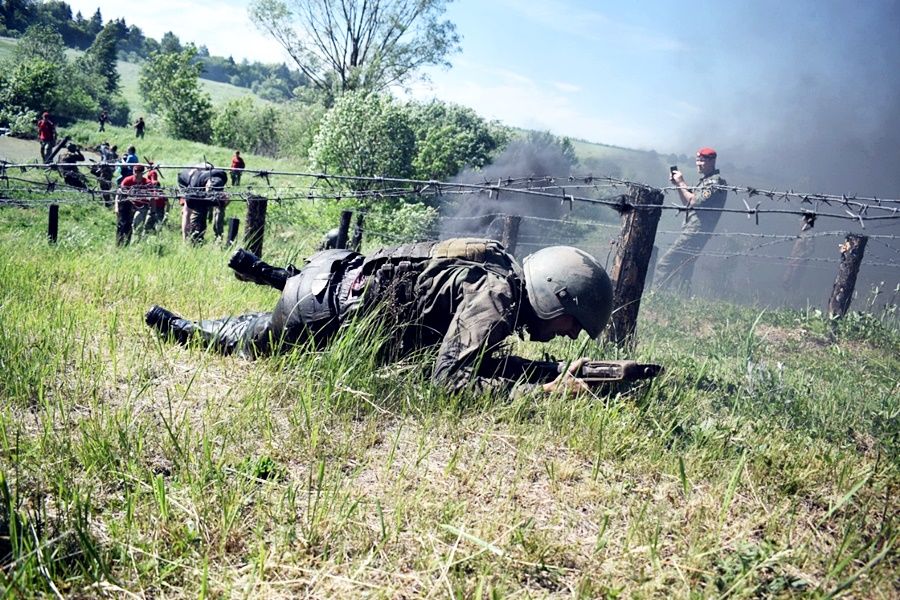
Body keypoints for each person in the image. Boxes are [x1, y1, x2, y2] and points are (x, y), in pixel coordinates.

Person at [145, 239, 614, 395]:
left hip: (335, 279)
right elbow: (449, 378)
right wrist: (540, 395)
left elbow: (476, 361)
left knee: (264, 316)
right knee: (250, 344)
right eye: (572, 324)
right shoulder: (495, 300)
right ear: (556, 298)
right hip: (320, 312)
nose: (568, 335)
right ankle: (179, 327)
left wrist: (550, 373)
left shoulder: (498, 280)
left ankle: (269, 277)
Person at [654, 147, 728, 292]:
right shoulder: (705, 181)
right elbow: (688, 202)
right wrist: (678, 185)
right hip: (693, 229)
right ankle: (681, 299)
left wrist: (682, 183)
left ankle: (655, 295)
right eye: (698, 160)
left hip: (696, 230)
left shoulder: (715, 182)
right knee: (684, 268)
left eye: (703, 160)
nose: (699, 164)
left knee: (665, 263)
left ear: (712, 161)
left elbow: (694, 201)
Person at [177, 164, 228, 243]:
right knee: (195, 211)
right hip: (186, 182)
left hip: (203, 173)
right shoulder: (194, 186)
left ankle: (209, 236)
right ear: (206, 186)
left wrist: (223, 203)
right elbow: (187, 213)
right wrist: (185, 241)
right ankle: (191, 237)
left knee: (206, 209)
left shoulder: (222, 176)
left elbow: (225, 200)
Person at [115, 165, 153, 242]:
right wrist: (116, 206)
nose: (136, 174)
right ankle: (120, 242)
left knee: (136, 223)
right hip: (127, 205)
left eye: (139, 172)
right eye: (135, 172)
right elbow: (119, 193)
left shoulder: (147, 183)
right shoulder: (127, 180)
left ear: (142, 173)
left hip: (141, 206)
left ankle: (135, 241)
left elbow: (152, 197)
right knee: (122, 224)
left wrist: (153, 209)